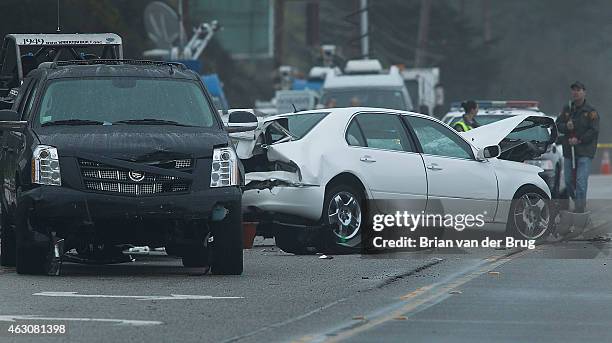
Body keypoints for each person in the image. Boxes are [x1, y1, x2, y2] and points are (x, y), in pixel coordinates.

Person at [556, 81, 600, 212]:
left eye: (578, 90)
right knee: (569, 181)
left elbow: (594, 130)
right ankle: (577, 201)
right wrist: (566, 126)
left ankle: (580, 209)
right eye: (573, 90)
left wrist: (579, 140)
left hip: (585, 151)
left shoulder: (591, 111)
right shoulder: (567, 109)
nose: (575, 92)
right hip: (569, 151)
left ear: (584, 92)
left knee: (581, 182)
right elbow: (558, 124)